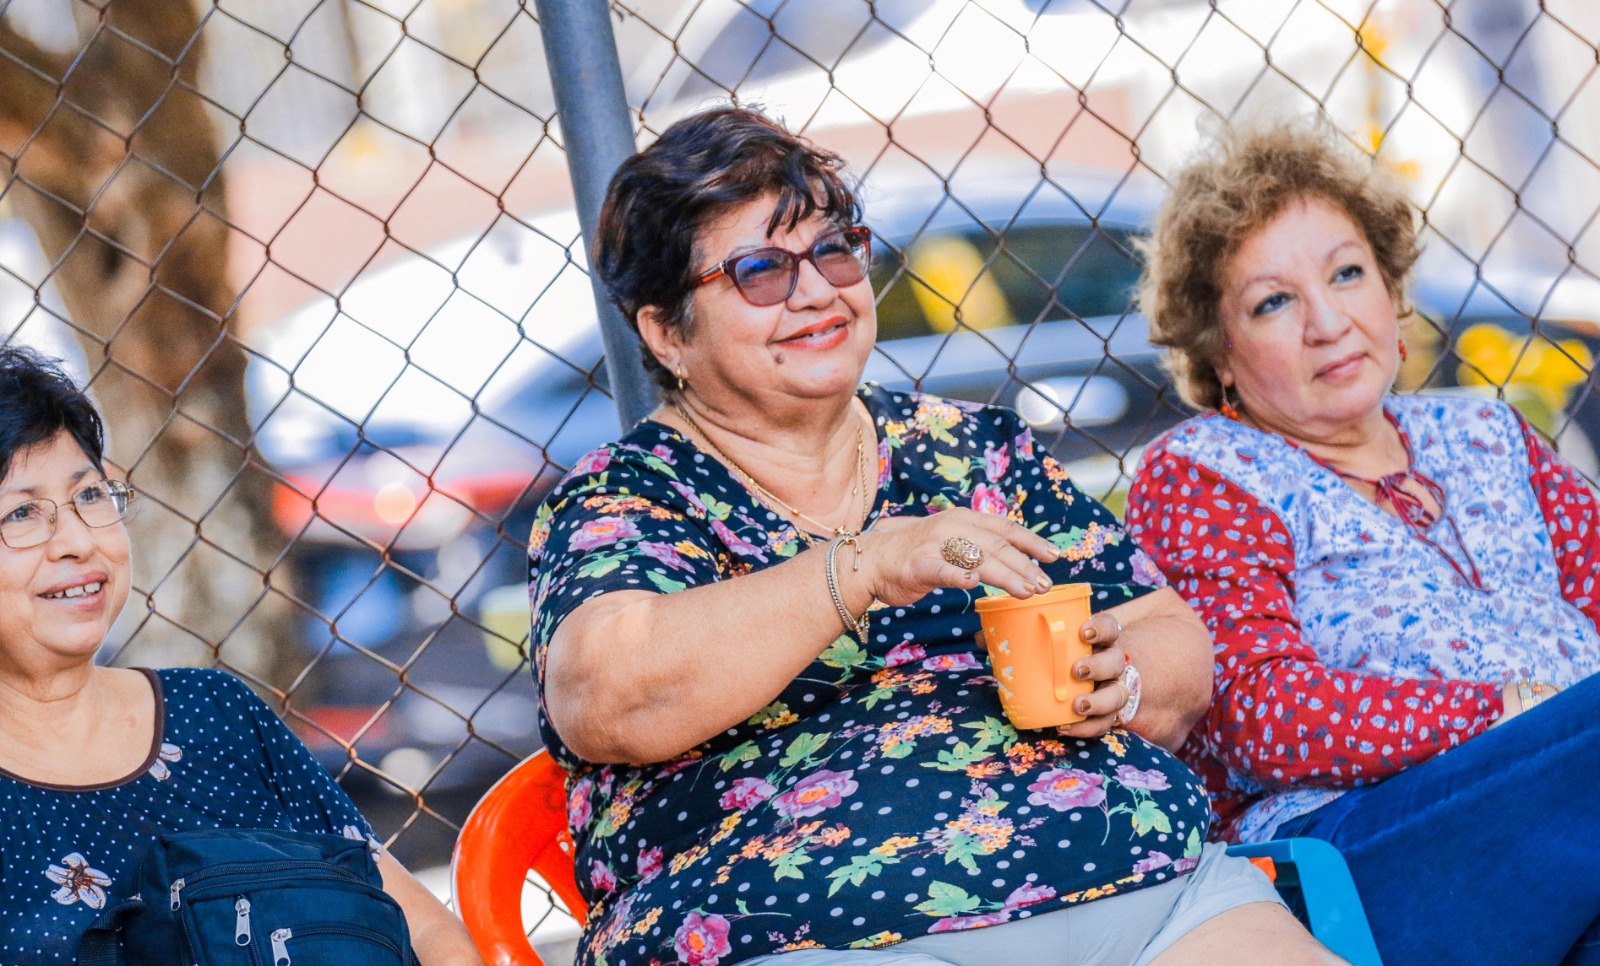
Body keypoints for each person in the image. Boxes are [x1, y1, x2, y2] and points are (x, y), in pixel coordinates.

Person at [529, 105, 1342, 966]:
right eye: (761, 269)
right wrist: (866, 564)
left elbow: (1169, 635)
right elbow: (608, 698)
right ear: (665, 330)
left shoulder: (973, 449)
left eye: (835, 249)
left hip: (1150, 899)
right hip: (819, 937)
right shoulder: (632, 495)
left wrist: (1124, 682)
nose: (818, 291)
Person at [1125, 117, 1600, 966]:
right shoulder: (1205, 471)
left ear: (1391, 290)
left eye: (1348, 274)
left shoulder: (1487, 432)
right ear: (1220, 354)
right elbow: (1260, 714)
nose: (1328, 320)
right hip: (1370, 845)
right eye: (1273, 301)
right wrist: (1505, 711)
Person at [0, 347, 482, 965]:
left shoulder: (216, 715)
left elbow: (427, 933)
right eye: (21, 512)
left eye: (90, 496)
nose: (76, 540)